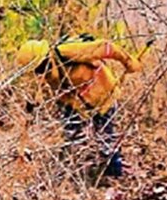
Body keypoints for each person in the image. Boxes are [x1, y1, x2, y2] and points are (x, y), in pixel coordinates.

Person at [15, 34, 142, 177]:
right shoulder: (41, 75)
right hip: (75, 103)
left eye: (42, 68)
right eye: (37, 71)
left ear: (47, 57)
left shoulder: (68, 52)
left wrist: (129, 62)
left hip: (103, 94)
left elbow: (107, 47)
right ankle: (69, 173)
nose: (41, 75)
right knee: (71, 136)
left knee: (106, 136)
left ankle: (113, 173)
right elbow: (33, 102)